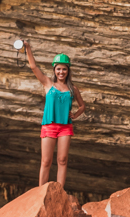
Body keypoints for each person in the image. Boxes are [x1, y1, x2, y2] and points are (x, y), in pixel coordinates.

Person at [21, 41, 86, 186]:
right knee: (46, 161)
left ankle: (59, 192)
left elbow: (82, 106)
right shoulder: (48, 84)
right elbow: (33, 67)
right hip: (49, 126)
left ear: (68, 70)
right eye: (58, 69)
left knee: (62, 160)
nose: (61, 72)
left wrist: (75, 115)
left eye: (64, 69)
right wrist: (28, 48)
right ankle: (40, 192)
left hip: (65, 127)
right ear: (54, 70)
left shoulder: (72, 89)